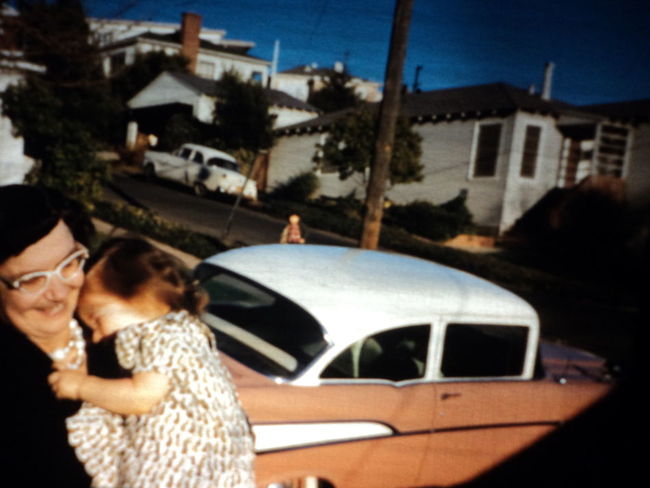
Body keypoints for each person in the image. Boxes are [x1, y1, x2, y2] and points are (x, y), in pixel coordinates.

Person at [48, 237, 256, 488]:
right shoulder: (189, 335)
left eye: (97, 318)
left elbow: (141, 397)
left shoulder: (163, 334)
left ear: (140, 298)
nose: (97, 336)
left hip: (185, 469)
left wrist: (80, 385)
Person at [0, 184, 97, 487]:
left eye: (68, 264)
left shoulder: (116, 336)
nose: (57, 293)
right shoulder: (11, 393)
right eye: (32, 279)